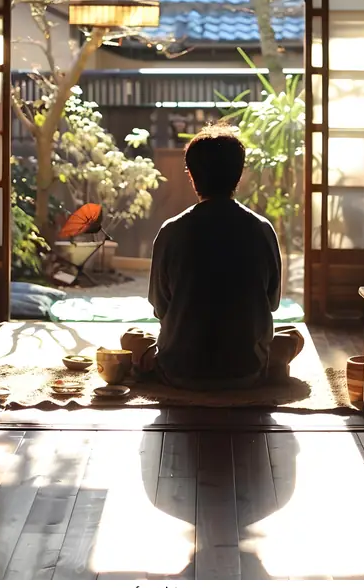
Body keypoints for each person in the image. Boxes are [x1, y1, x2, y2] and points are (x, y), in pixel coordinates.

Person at [121, 124, 303, 390]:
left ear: (192, 176)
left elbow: (160, 308)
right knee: (292, 336)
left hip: (178, 371)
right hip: (246, 372)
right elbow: (272, 303)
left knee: (131, 337)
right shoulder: (262, 228)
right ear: (239, 175)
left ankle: (155, 365)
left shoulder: (172, 230)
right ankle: (271, 367)